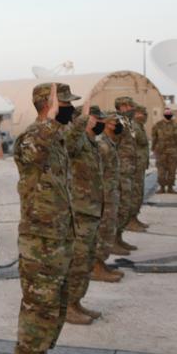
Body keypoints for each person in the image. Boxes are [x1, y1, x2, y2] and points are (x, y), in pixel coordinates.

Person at [14, 82, 80, 354]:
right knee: (39, 305)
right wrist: (49, 120)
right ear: (47, 105)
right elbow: (32, 153)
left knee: (55, 304)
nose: (69, 109)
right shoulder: (31, 138)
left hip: (59, 235)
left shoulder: (56, 139)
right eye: (64, 104)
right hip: (39, 240)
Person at [65, 105, 107, 323]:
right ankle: (68, 306)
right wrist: (80, 122)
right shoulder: (77, 140)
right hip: (79, 211)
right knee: (78, 260)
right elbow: (69, 145)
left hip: (91, 209)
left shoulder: (91, 143)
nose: (98, 121)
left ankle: (77, 301)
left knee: (87, 259)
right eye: (94, 117)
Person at [91, 112, 126, 282]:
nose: (117, 126)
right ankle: (96, 267)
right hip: (103, 195)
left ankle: (101, 264)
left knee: (109, 229)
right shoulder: (102, 144)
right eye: (114, 123)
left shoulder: (109, 143)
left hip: (110, 192)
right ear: (107, 124)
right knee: (103, 230)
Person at [113, 97, 140, 251]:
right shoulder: (117, 122)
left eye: (131, 105)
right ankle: (113, 241)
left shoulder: (128, 123)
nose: (130, 108)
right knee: (120, 207)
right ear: (120, 107)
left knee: (126, 206)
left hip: (129, 170)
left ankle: (119, 237)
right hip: (120, 171)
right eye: (127, 106)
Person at [126, 104, 150, 232]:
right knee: (134, 193)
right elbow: (138, 142)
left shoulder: (139, 126)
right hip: (134, 165)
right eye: (141, 113)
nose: (144, 116)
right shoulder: (133, 126)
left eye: (145, 114)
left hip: (140, 164)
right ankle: (130, 220)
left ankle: (134, 218)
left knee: (138, 193)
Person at [152, 107, 177, 194]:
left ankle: (170, 187)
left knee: (172, 170)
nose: (168, 114)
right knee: (161, 171)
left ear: (171, 114)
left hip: (174, 152)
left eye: (169, 113)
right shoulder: (157, 125)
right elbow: (154, 138)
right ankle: (162, 187)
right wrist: (153, 149)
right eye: (166, 113)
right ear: (163, 114)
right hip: (161, 152)